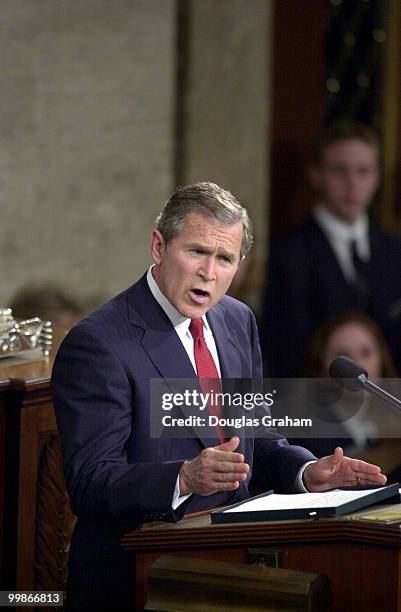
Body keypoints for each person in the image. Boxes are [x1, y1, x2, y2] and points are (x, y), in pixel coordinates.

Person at [51, 182, 386, 611]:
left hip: (233, 568)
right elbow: (90, 481)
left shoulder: (236, 320)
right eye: (196, 252)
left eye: (224, 258)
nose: (209, 272)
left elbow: (258, 440)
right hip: (137, 580)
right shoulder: (99, 344)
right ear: (158, 246)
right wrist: (183, 478)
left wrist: (306, 473)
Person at [262, 120, 401, 377]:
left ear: (377, 178)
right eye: (340, 170)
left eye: (363, 171)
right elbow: (284, 350)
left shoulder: (394, 251)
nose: (352, 183)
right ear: (316, 174)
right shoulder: (290, 255)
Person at [292, 310, 400, 458]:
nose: (358, 364)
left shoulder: (394, 418)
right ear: (320, 368)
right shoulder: (303, 438)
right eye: (343, 356)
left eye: (366, 352)